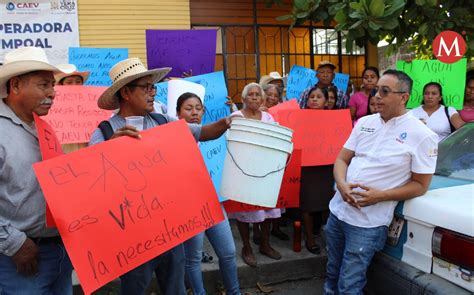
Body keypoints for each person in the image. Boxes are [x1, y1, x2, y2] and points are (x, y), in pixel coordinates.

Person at [88, 57, 232, 295]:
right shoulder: (104, 132)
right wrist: (110, 149)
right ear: (125, 93)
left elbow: (203, 132)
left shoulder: (162, 121)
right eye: (146, 88)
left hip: (169, 231)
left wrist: (228, 121)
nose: (153, 93)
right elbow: (91, 182)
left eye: (153, 87)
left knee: (174, 288)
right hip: (132, 239)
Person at [324, 69, 438, 294]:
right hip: (338, 212)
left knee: (350, 284)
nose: (376, 95)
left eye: (385, 91)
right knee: (331, 272)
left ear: (403, 97)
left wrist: (380, 196)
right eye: (377, 90)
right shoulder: (365, 122)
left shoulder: (422, 135)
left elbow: (421, 185)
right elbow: (341, 159)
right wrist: (342, 184)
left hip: (368, 222)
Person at [0, 47, 74, 294]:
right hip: (18, 259)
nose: (52, 93)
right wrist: (13, 242)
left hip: (58, 251)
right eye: (44, 85)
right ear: (16, 85)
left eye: (52, 86)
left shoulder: (43, 128)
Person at [175, 92, 241, 295]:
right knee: (193, 258)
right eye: (188, 108)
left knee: (228, 253)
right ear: (177, 114)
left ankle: (234, 292)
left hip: (214, 203)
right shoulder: (172, 141)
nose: (194, 112)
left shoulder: (215, 135)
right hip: (189, 209)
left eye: (198, 108)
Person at [227, 82, 282, 267]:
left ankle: (265, 244)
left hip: (265, 171)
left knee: (266, 209)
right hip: (243, 171)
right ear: (243, 99)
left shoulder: (268, 117)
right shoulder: (235, 117)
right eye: (250, 95)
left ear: (262, 99)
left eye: (258, 95)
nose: (254, 98)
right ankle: (247, 247)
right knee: (244, 210)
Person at [299, 85, 335, 254]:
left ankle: (326, 234)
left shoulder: (334, 118)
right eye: (311, 96)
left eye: (318, 97)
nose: (314, 99)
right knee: (307, 202)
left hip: (327, 167)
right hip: (306, 167)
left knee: (328, 201)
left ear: (327, 101)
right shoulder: (299, 117)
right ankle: (310, 238)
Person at [54, 64, 91, 154]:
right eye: (69, 82)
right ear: (60, 85)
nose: (74, 85)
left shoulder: (91, 105)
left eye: (78, 82)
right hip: (62, 154)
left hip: (86, 152)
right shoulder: (51, 107)